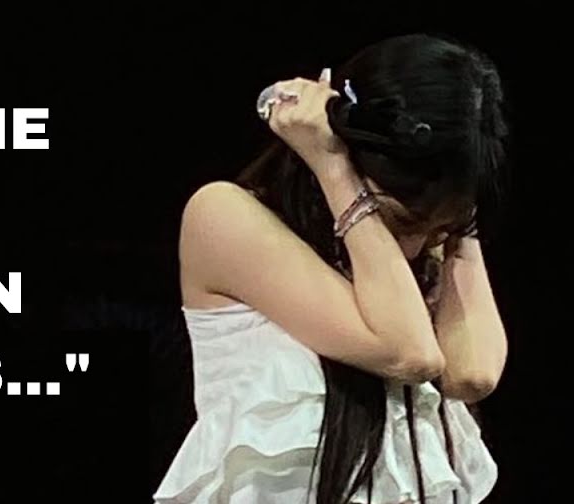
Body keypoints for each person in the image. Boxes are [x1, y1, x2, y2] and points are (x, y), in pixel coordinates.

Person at [152, 34, 509, 503]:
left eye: (440, 229)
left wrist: (461, 215)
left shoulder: (425, 250)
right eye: (403, 222)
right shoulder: (223, 215)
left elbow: (473, 373)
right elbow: (411, 353)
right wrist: (333, 166)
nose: (417, 247)